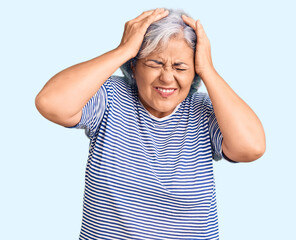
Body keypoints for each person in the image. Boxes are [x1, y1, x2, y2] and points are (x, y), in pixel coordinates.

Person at [35, 8, 266, 239]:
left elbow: (251, 147)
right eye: (155, 63)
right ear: (134, 66)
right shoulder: (110, 97)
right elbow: (51, 103)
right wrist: (123, 50)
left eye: (180, 67)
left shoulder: (205, 110)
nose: (167, 77)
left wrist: (208, 70)